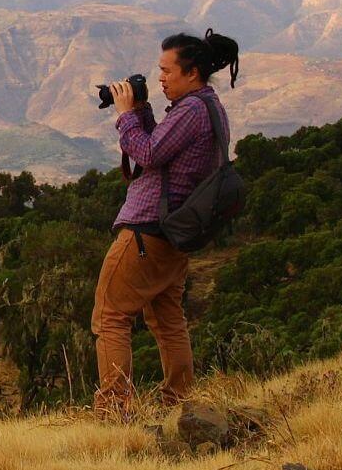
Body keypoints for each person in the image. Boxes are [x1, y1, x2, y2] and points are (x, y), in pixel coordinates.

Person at [93, 29, 239, 417]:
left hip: (146, 232)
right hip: (174, 234)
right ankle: (179, 404)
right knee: (168, 319)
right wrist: (141, 110)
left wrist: (125, 117)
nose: (160, 79)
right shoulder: (209, 107)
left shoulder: (191, 111)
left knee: (110, 315)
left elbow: (149, 151)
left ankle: (114, 409)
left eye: (166, 71)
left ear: (192, 73)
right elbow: (164, 145)